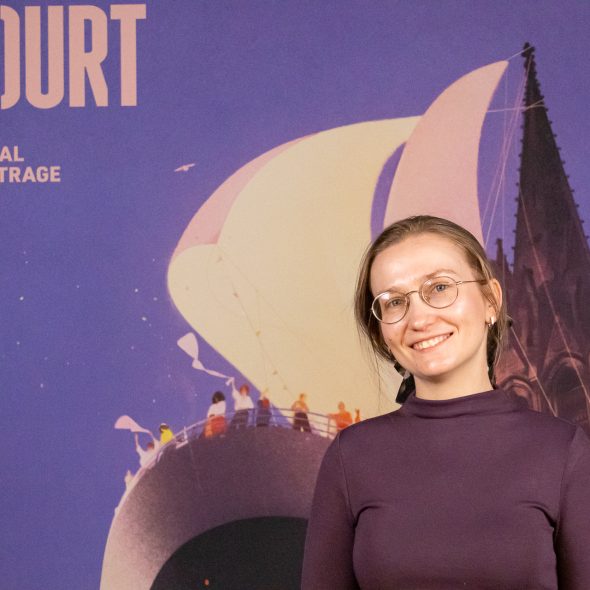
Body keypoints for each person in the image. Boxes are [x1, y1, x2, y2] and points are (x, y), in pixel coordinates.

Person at [302, 215, 590, 589]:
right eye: (394, 302)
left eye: (439, 287)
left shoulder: (564, 450)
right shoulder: (350, 456)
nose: (419, 318)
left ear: (491, 300)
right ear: (381, 331)